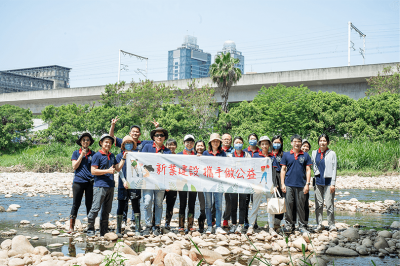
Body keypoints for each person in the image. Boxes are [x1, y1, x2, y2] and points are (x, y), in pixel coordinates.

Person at [108, 117, 157, 228]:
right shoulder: (124, 141)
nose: (135, 133)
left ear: (139, 133)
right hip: (124, 174)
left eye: (137, 132)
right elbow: (111, 137)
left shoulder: (143, 144)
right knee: (123, 201)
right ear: (130, 133)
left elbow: (157, 141)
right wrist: (113, 125)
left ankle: (135, 222)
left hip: (136, 177)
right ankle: (123, 221)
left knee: (136, 200)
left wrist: (157, 128)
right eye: (133, 131)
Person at [87, 134, 121, 237]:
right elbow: (93, 171)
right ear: (101, 143)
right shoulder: (97, 155)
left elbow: (117, 168)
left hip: (110, 185)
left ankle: (104, 231)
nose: (108, 144)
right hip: (100, 186)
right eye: (106, 142)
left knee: (107, 209)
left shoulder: (112, 155)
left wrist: (123, 158)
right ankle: (90, 229)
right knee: (95, 208)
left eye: (110, 143)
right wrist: (108, 171)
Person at [141, 127, 172, 236]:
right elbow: (141, 161)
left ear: (164, 138)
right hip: (148, 180)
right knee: (147, 202)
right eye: (157, 135)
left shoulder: (167, 151)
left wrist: (168, 183)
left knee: (158, 203)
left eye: (162, 135)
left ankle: (157, 226)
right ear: (153, 137)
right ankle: (148, 225)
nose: (159, 137)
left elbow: (169, 169)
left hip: (161, 182)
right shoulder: (147, 147)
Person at [280, 134, 312, 234]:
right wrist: (282, 184)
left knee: (301, 205)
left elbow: (308, 170)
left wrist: (307, 184)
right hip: (289, 184)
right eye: (295, 141)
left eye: (299, 141)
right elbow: (283, 169)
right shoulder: (286, 155)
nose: (297, 143)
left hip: (301, 185)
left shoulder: (305, 155)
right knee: (289, 205)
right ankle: (289, 225)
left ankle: (302, 226)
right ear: (291, 143)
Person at [247, 136, 278, 236]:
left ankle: (271, 227)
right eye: (262, 144)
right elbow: (251, 170)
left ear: (269, 145)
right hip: (258, 184)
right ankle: (251, 226)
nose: (264, 146)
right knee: (255, 205)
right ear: (259, 145)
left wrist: (275, 185)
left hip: (270, 185)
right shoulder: (255, 156)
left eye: (266, 144)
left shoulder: (273, 157)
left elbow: (275, 171)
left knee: (271, 206)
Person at [115, 136, 142, 237]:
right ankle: (118, 228)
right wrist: (124, 181)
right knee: (121, 205)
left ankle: (137, 228)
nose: (128, 144)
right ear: (123, 145)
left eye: (130, 143)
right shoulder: (119, 155)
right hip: (123, 183)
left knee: (136, 204)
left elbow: (139, 170)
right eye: (126, 143)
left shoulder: (137, 155)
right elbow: (119, 170)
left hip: (135, 184)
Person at [69, 133, 95, 233]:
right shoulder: (76, 153)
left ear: (90, 142)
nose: (85, 141)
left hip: (90, 182)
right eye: (83, 140)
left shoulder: (93, 154)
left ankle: (90, 226)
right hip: (78, 181)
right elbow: (74, 166)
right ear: (80, 142)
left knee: (89, 204)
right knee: (76, 204)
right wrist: (81, 155)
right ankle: (71, 226)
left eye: (87, 140)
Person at [311, 134, 337, 232]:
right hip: (318, 182)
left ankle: (331, 224)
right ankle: (319, 224)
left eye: (324, 140)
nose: (322, 142)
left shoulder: (332, 153)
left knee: (329, 204)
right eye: (321, 140)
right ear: (318, 142)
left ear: (328, 142)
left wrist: (333, 183)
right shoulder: (314, 153)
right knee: (319, 204)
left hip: (328, 182)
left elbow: (334, 168)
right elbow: (313, 164)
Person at [226, 136, 251, 234]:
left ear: (243, 143)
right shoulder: (229, 156)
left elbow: (250, 167)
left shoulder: (247, 155)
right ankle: (233, 224)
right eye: (236, 142)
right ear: (233, 144)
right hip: (233, 184)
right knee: (233, 205)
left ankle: (240, 225)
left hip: (244, 183)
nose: (238, 144)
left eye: (240, 142)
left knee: (242, 205)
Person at [203, 133, 227, 235]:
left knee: (219, 205)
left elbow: (226, 167)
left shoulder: (223, 154)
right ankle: (209, 226)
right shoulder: (205, 154)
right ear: (210, 143)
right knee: (208, 205)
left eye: (217, 141)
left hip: (219, 183)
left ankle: (218, 226)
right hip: (207, 182)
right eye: (214, 141)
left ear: (220, 143)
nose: (215, 142)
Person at [177, 134, 197, 233]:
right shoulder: (179, 155)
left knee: (192, 204)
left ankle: (190, 225)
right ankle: (181, 225)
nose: (189, 144)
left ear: (193, 143)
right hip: (182, 183)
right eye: (187, 142)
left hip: (194, 183)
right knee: (182, 204)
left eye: (191, 142)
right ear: (184, 143)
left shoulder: (197, 155)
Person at [244, 133, 260, 229]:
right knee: (245, 202)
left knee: (255, 202)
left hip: (257, 181)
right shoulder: (244, 152)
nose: (252, 140)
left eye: (254, 139)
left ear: (257, 141)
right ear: (248, 140)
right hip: (246, 180)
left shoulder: (261, 152)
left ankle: (254, 221)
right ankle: (246, 221)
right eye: (251, 139)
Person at [163, 138, 178, 230]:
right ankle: (155, 222)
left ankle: (167, 223)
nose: (171, 147)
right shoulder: (162, 156)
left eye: (173, 145)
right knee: (158, 204)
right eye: (169, 145)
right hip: (162, 184)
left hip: (173, 185)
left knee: (170, 205)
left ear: (176, 146)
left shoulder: (179, 157)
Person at [270, 135, 285, 230]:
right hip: (270, 179)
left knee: (281, 200)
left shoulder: (283, 155)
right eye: (275, 142)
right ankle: (270, 221)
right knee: (271, 200)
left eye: (278, 142)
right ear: (271, 143)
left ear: (281, 143)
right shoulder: (268, 154)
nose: (276, 144)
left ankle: (277, 221)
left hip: (281, 180)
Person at [221, 133, 233, 228]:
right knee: (215, 200)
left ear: (231, 141)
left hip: (230, 178)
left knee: (229, 200)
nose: (226, 141)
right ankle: (213, 219)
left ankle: (226, 219)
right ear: (221, 140)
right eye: (224, 139)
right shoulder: (218, 150)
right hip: (218, 178)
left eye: (228, 139)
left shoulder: (234, 151)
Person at [195, 140, 207, 233]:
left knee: (213, 205)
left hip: (209, 184)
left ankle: (211, 222)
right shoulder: (191, 157)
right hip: (197, 185)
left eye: (201, 146)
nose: (200, 147)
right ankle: (201, 224)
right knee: (203, 205)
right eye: (198, 145)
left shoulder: (209, 156)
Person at [301, 139, 312, 227]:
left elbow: (309, 170)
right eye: (304, 145)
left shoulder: (307, 156)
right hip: (294, 182)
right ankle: (292, 223)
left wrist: (307, 183)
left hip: (304, 182)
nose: (305, 148)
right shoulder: (293, 155)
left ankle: (305, 223)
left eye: (307, 146)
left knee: (304, 203)